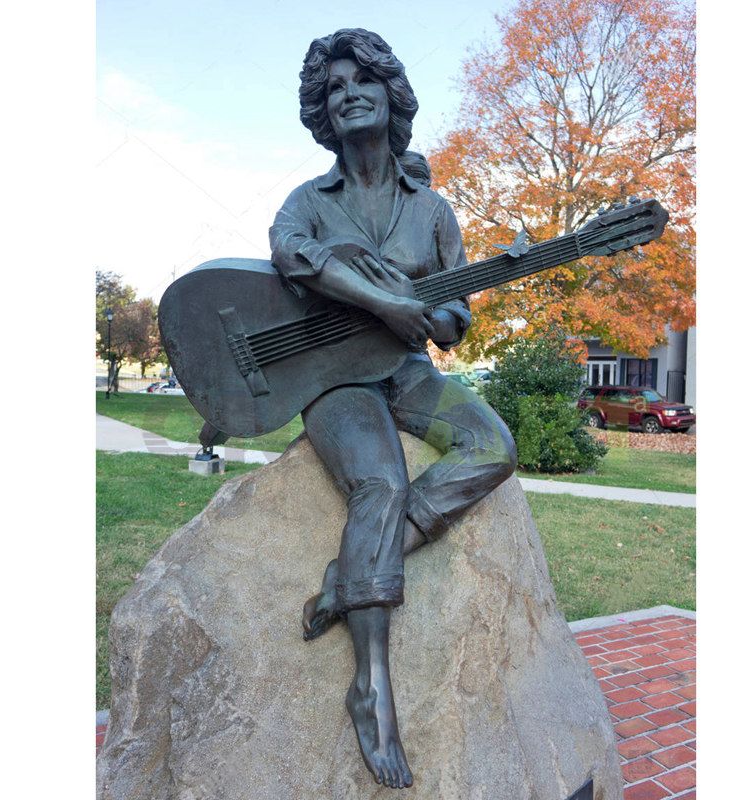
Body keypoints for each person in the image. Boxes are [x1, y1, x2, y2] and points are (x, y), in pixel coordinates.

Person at [269, 29, 516, 790]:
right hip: (334, 382)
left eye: (361, 81)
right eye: (333, 86)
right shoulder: (310, 201)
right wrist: (381, 300)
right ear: (323, 110)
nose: (347, 92)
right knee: (379, 480)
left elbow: (456, 316)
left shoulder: (432, 208)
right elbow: (291, 253)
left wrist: (436, 318)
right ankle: (371, 688)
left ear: (389, 96)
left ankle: (350, 578)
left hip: (405, 373)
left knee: (491, 446)